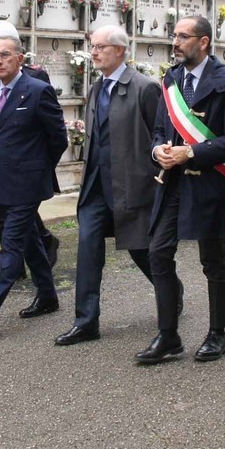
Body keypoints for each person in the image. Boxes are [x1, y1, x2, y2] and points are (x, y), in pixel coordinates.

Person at [137, 15, 225, 365]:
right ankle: (168, 335)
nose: (176, 42)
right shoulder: (171, 78)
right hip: (172, 182)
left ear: (204, 42)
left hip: (209, 181)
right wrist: (159, 151)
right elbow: (158, 130)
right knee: (158, 253)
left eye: (183, 37)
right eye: (175, 35)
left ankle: (218, 333)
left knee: (212, 260)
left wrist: (193, 152)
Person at [55, 25, 161, 346]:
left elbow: (159, 138)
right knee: (88, 250)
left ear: (120, 51)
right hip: (95, 188)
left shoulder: (145, 88)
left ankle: (171, 292)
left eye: (101, 46)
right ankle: (86, 321)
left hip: (130, 187)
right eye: (93, 46)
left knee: (140, 250)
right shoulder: (96, 88)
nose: (95, 52)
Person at [0, 35, 68, 335]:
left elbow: (57, 137)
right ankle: (47, 296)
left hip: (27, 182)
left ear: (19, 59)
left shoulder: (37, 90)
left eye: (5, 55)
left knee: (11, 244)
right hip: (0, 180)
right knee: (30, 238)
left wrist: (39, 168)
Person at [0, 22, 60, 271]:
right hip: (2, 159)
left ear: (18, 56)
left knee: (21, 213)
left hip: (27, 160)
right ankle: (19, 266)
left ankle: (17, 263)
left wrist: (40, 162)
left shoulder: (35, 77)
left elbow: (51, 128)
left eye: (4, 53)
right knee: (2, 214)